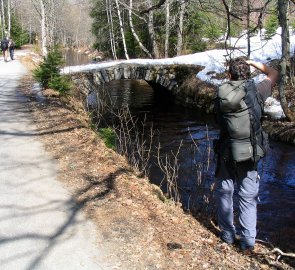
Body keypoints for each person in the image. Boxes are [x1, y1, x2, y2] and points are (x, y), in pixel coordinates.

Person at [214, 57, 278, 254]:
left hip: (227, 149)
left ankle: (227, 234)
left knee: (225, 190)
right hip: (249, 151)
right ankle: (247, 242)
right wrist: (252, 62)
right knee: (248, 195)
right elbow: (273, 73)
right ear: (247, 73)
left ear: (229, 74)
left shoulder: (221, 93)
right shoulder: (258, 90)